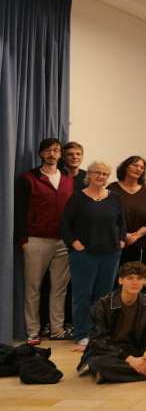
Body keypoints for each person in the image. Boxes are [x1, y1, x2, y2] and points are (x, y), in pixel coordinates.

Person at [60, 160, 127, 345]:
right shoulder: (77, 198)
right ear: (89, 174)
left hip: (111, 255)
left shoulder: (114, 197)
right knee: (82, 296)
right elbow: (65, 225)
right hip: (84, 255)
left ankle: (99, 333)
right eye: (97, 172)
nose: (101, 176)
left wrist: (121, 241)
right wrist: (75, 243)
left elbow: (122, 223)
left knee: (104, 297)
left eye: (105, 174)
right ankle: (82, 334)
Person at [15, 137, 75, 344]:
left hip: (63, 243)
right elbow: (19, 210)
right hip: (36, 241)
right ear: (41, 154)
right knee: (33, 288)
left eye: (56, 150)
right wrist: (23, 239)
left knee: (59, 288)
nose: (52, 154)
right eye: (48, 150)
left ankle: (57, 329)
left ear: (60, 154)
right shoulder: (28, 178)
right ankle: (32, 331)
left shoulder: (68, 178)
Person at [77, 261, 146, 383]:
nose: (135, 283)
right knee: (98, 363)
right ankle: (141, 372)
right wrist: (129, 359)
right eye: (130, 278)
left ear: (144, 281)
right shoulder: (102, 305)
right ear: (120, 280)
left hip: (134, 349)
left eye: (139, 278)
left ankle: (110, 375)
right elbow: (98, 341)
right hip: (108, 352)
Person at [107, 156, 146, 264]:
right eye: (135, 165)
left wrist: (135, 236)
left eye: (142, 167)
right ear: (125, 167)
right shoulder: (112, 189)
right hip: (115, 243)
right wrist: (124, 235)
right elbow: (107, 216)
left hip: (141, 245)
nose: (138, 169)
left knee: (136, 278)